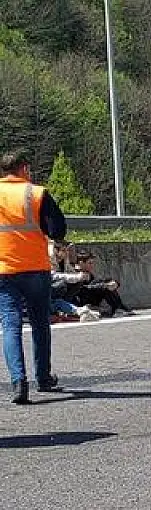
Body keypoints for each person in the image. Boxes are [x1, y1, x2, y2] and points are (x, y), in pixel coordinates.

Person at [0, 151, 67, 404]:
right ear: (24, 169)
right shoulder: (36, 193)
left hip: (4, 270)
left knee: (10, 325)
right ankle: (43, 377)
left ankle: (18, 382)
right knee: (40, 323)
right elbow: (58, 229)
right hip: (35, 269)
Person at [70, 251, 135, 317]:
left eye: (92, 263)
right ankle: (117, 308)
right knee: (104, 285)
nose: (92, 265)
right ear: (81, 263)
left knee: (107, 282)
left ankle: (119, 307)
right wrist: (104, 286)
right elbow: (83, 289)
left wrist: (115, 283)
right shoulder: (75, 274)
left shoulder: (88, 274)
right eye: (90, 263)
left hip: (91, 296)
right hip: (81, 300)